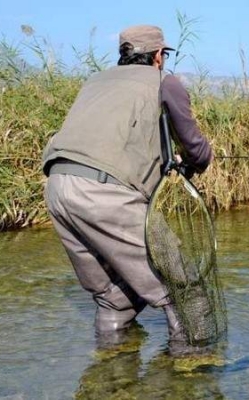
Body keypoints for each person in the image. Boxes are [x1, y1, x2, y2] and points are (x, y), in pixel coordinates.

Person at [42, 25, 212, 345]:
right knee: (186, 290)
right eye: (164, 55)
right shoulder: (165, 81)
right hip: (105, 194)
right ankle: (192, 374)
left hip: (57, 187)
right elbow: (194, 144)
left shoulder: (94, 82)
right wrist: (199, 161)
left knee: (113, 297)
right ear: (159, 56)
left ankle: (110, 372)